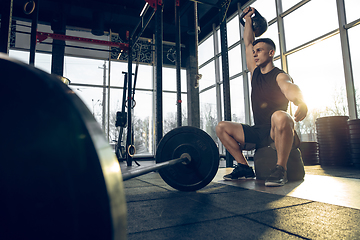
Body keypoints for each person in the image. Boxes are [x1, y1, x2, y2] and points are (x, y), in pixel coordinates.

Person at [215, 7, 308, 187]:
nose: (255, 54)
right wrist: (248, 19)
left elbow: (290, 88)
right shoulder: (255, 73)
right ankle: (243, 167)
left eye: (259, 51)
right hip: (258, 132)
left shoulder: (280, 75)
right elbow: (248, 42)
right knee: (221, 127)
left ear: (271, 53)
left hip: (276, 130)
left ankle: (280, 169)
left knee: (280, 115)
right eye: (254, 52)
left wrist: (300, 101)